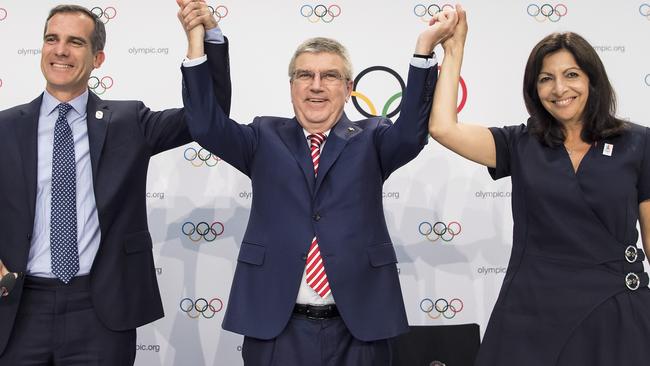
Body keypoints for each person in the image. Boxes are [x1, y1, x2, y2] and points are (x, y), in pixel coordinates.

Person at [179, 8, 459, 366]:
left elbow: (411, 134)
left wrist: (423, 50)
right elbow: (204, 125)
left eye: (330, 75)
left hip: (359, 331)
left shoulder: (373, 137)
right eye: (304, 75)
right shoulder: (263, 135)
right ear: (292, 85)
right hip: (276, 329)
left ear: (349, 88)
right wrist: (201, 39)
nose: (316, 85)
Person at [0, 2, 230, 364]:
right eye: (51, 39)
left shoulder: (128, 121)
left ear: (98, 59)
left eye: (75, 42)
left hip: (100, 310)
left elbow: (207, 117)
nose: (60, 50)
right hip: (19, 310)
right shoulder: (5, 127)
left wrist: (203, 40)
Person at [429, 5, 650, 365]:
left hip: (615, 312)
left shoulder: (639, 144)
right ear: (534, 87)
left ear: (592, 80)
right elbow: (443, 128)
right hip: (532, 315)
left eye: (572, 75)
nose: (560, 89)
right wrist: (454, 49)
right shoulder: (520, 143)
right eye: (546, 78)